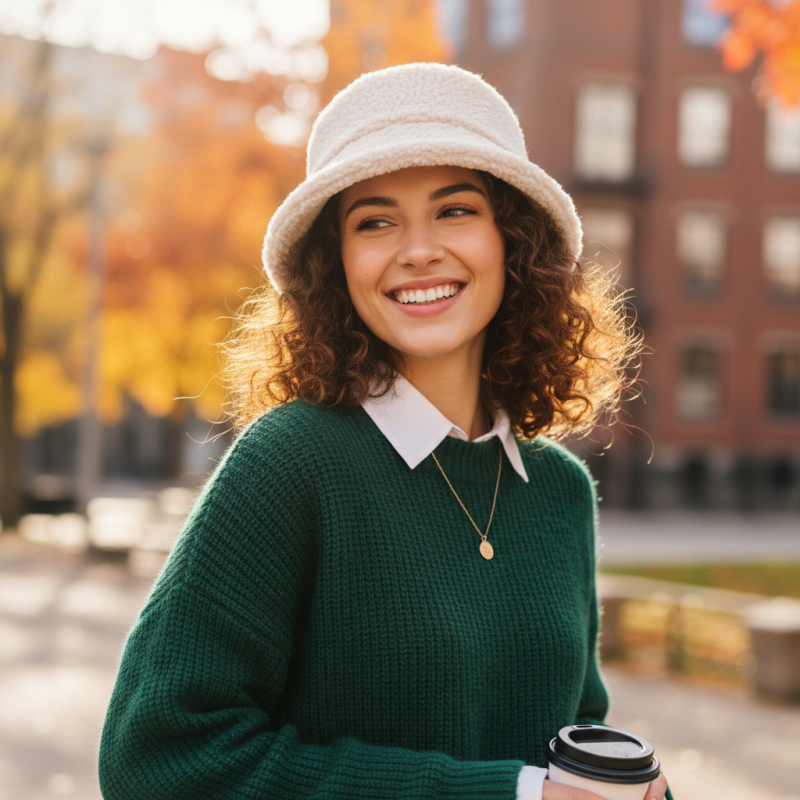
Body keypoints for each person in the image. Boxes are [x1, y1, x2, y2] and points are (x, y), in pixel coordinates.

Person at [98, 63, 670, 800]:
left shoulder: (558, 491)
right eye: (375, 222)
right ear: (335, 265)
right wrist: (508, 795)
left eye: (455, 210)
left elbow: (571, 735)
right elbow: (158, 758)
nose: (418, 250)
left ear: (513, 242)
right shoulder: (292, 463)